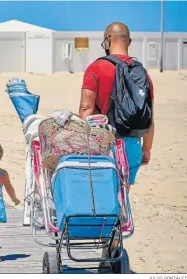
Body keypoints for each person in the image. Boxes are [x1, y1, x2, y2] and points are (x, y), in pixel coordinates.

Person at [78, 22, 155, 269]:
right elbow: (149, 116)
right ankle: (111, 246)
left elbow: (86, 110)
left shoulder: (96, 67)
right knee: (122, 196)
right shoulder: (141, 72)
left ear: (107, 38)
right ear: (129, 41)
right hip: (132, 144)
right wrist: (146, 149)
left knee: (103, 195)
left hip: (104, 142)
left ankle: (104, 242)